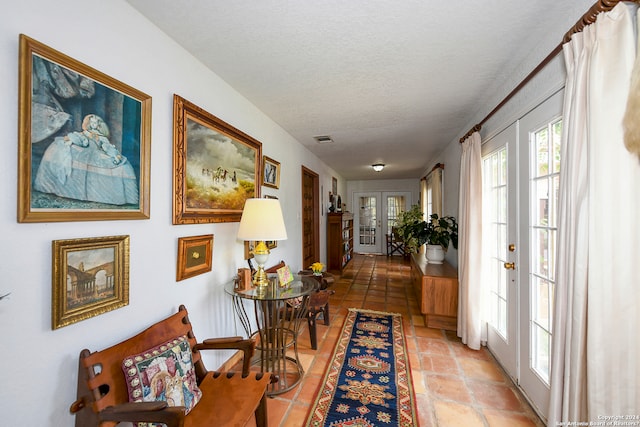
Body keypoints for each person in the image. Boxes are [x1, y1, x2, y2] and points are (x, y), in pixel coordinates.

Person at [34, 114, 139, 205]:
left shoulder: (101, 137)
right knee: (64, 150)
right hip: (85, 152)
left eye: (95, 123)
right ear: (88, 123)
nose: (93, 125)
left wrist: (114, 155)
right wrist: (72, 139)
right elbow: (81, 141)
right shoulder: (84, 134)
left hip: (96, 154)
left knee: (120, 165)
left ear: (98, 125)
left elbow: (107, 147)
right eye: (91, 123)